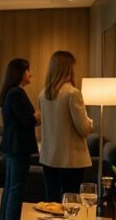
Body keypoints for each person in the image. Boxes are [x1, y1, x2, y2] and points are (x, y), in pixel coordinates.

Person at [38, 51, 93, 201]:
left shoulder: (43, 94)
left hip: (49, 157)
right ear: (68, 69)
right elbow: (83, 129)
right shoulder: (73, 93)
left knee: (52, 201)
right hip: (70, 159)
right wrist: (90, 122)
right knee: (70, 202)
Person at [0, 58, 40, 220]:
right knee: (16, 190)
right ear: (21, 73)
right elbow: (27, 120)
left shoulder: (10, 93)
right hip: (18, 148)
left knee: (9, 188)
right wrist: (37, 117)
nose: (31, 74)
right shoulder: (17, 93)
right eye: (28, 71)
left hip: (10, 147)